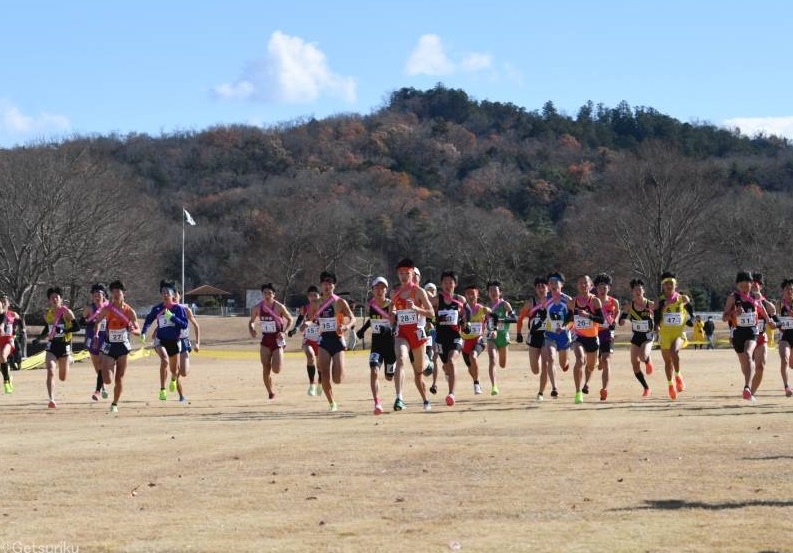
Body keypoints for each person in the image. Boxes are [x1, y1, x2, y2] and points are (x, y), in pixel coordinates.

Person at [722, 271, 773, 402]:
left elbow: (762, 310)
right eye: (742, 286)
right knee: (744, 363)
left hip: (752, 332)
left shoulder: (755, 297)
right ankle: (748, 386)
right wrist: (734, 313)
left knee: (748, 353)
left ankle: (747, 388)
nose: (745, 289)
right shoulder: (733, 298)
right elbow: (724, 317)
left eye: (747, 286)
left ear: (752, 284)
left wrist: (769, 321)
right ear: (737, 285)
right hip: (737, 334)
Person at [390, 259, 435, 411]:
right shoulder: (395, 294)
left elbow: (431, 313)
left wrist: (415, 308)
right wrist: (393, 315)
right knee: (401, 358)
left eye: (406, 273)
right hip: (402, 333)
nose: (403, 276)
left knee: (419, 371)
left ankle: (425, 398)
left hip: (417, 334)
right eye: (401, 273)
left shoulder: (419, 292)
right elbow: (391, 311)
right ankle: (399, 397)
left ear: (411, 273)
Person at [91, 280, 139, 413]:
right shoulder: (107, 309)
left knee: (119, 378)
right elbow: (98, 322)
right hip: (109, 346)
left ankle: (115, 403)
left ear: (124, 293)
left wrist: (131, 330)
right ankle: (104, 387)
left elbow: (138, 330)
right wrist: (96, 334)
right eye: (113, 292)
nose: (116, 294)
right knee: (107, 380)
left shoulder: (130, 311)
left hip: (123, 347)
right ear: (111, 294)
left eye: (119, 291)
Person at [142, 281, 191, 402]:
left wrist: (172, 317)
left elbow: (184, 325)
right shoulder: (158, 308)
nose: (165, 295)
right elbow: (148, 320)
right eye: (163, 292)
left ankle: (173, 379)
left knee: (174, 370)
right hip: (160, 340)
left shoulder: (178, 308)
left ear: (173, 294)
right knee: (164, 360)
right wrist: (143, 332)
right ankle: (162, 390)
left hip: (174, 341)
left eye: (167, 292)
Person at [314, 271, 355, 412]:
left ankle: (335, 372)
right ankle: (332, 403)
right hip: (324, 340)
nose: (327, 286)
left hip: (338, 341)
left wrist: (346, 326)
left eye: (330, 283)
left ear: (334, 285)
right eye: (325, 283)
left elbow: (352, 318)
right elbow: (311, 319)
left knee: (337, 379)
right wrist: (306, 324)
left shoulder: (340, 302)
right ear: (321, 285)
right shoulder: (316, 303)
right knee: (325, 374)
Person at [247, 283, 294, 402]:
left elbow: (290, 319)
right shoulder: (257, 307)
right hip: (266, 340)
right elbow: (251, 321)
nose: (267, 295)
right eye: (265, 293)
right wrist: (252, 328)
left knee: (276, 369)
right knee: (265, 367)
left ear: (274, 294)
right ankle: (270, 391)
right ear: (262, 294)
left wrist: (285, 331)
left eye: (270, 293)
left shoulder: (279, 307)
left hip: (277, 340)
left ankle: (279, 357)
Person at [356, 276, 396, 415]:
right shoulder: (370, 305)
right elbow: (372, 320)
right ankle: (377, 402)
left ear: (386, 290)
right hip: (377, 344)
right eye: (377, 288)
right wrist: (362, 330)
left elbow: (393, 321)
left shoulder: (391, 304)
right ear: (372, 290)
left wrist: (389, 328)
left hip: (390, 345)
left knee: (389, 377)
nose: (380, 291)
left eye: (382, 288)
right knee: (374, 370)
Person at [38, 287, 80, 408]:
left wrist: (64, 329)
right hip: (52, 346)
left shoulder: (67, 312)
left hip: (64, 346)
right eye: (52, 297)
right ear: (49, 300)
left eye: (57, 297)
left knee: (62, 377)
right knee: (50, 370)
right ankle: (51, 399)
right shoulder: (47, 314)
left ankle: (69, 360)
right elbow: (48, 328)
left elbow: (77, 327)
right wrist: (39, 338)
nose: (55, 299)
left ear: (61, 299)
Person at [654, 272, 694, 400]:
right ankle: (670, 385)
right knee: (667, 363)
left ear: (676, 285)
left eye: (671, 283)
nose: (669, 285)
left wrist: (691, 320)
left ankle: (678, 376)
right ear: (663, 286)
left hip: (678, 333)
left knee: (674, 351)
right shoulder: (659, 301)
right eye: (666, 283)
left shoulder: (682, 299)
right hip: (665, 335)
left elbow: (691, 313)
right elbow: (656, 318)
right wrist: (656, 325)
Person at [430, 270, 466, 406]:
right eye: (445, 282)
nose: (447, 285)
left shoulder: (460, 300)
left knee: (452, 361)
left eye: (450, 282)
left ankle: (451, 394)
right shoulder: (436, 299)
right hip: (440, 338)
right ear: (441, 284)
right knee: (446, 365)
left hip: (456, 337)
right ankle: (448, 373)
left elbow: (465, 315)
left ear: (455, 284)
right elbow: (427, 308)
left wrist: (465, 323)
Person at [516, 277, 555, 401]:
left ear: (548, 287)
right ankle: (541, 381)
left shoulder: (552, 301)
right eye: (538, 287)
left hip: (547, 336)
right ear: (535, 289)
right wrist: (518, 333)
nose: (540, 289)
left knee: (546, 363)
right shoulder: (531, 303)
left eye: (543, 286)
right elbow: (521, 317)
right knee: (535, 369)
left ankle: (541, 392)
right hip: (534, 337)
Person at [567, 275, 604, 404]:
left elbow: (601, 320)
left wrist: (588, 316)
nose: (583, 285)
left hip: (593, 338)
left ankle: (586, 384)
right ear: (577, 286)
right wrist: (563, 327)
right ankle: (578, 392)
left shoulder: (595, 301)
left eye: (585, 283)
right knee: (579, 360)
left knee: (591, 366)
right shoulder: (573, 302)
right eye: (580, 283)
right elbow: (569, 318)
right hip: (578, 337)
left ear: (590, 285)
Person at [618, 278, 655, 397]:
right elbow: (621, 318)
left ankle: (648, 361)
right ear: (632, 292)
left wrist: (658, 324)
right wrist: (622, 320)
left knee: (643, 356)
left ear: (643, 290)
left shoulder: (650, 304)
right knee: (635, 364)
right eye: (635, 289)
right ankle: (646, 388)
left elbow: (659, 315)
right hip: (636, 337)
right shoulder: (630, 306)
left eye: (640, 289)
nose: (638, 291)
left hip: (647, 336)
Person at [289, 285, 322, 396]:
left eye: (315, 295)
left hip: (321, 339)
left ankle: (321, 384)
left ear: (319, 295)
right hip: (308, 338)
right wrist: (296, 328)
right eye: (310, 295)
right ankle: (312, 384)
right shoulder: (305, 308)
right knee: (310, 357)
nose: (312, 297)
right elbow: (300, 318)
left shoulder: (324, 307)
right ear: (307, 297)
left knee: (320, 364)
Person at [485, 280, 516, 396]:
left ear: (500, 292)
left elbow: (514, 317)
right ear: (488, 293)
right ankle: (494, 386)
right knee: (492, 359)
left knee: (502, 364)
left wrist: (504, 319)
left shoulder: (504, 304)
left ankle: (495, 383)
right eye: (490, 290)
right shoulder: (486, 307)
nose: (493, 292)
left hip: (503, 336)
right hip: (491, 336)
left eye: (495, 290)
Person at [460, 283, 491, 397]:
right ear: (465, 296)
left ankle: (476, 383)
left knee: (473, 356)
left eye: (473, 293)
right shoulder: (462, 310)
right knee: (470, 368)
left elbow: (491, 318)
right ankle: (476, 379)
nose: (470, 296)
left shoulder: (482, 309)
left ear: (477, 295)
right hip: (465, 342)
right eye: (468, 294)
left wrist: (493, 328)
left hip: (478, 339)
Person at [593, 273, 619, 401]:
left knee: (607, 360)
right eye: (600, 287)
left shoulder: (614, 302)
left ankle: (604, 389)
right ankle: (598, 358)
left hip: (607, 333)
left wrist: (614, 320)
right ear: (596, 288)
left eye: (605, 287)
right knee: (595, 364)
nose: (603, 289)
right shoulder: (592, 301)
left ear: (609, 288)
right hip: (593, 332)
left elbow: (617, 312)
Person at [749, 273, 776, 396]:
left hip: (760, 337)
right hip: (747, 338)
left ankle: (751, 393)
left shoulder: (763, 300)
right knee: (749, 367)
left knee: (760, 367)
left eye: (757, 285)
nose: (754, 287)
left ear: (761, 286)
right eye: (752, 284)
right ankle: (746, 386)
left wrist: (761, 299)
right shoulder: (743, 299)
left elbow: (773, 311)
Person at [82, 283, 109, 401]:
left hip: (105, 337)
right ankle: (102, 386)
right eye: (95, 295)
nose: (97, 297)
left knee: (102, 364)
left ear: (104, 296)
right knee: (96, 364)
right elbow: (81, 322)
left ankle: (97, 390)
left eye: (99, 294)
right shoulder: (89, 308)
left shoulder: (108, 307)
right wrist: (90, 321)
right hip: (92, 337)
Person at [175, 289, 201, 402]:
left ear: (180, 296)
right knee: (174, 370)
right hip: (171, 342)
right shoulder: (166, 310)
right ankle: (181, 396)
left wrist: (198, 343)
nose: (173, 297)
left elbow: (196, 326)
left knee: (184, 372)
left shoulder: (186, 310)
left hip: (184, 342)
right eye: (171, 295)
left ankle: (175, 375)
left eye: (175, 294)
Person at [775, 278, 793, 397]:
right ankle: (787, 386)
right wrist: (777, 324)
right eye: (787, 289)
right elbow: (774, 318)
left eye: (792, 289)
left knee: (792, 364)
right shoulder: (779, 304)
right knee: (784, 360)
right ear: (783, 290)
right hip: (784, 336)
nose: (790, 291)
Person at [0, 293, 20, 394]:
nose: (3, 303)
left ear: (8, 303)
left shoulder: (12, 314)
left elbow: (20, 321)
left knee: (3, 356)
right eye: (2, 301)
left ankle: (6, 382)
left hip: (9, 339)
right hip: (0, 340)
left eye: (5, 301)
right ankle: (8, 377)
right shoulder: (0, 315)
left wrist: (17, 331)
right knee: (2, 362)